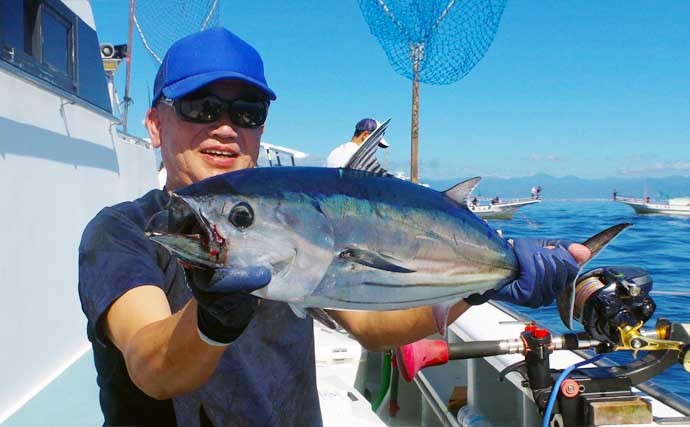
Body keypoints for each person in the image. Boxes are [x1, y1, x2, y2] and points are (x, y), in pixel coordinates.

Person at [78, 27, 591, 427]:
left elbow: (372, 328)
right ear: (154, 123)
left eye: (247, 111)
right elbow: (151, 366)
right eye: (200, 107)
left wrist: (481, 286)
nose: (226, 127)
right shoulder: (123, 232)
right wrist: (212, 319)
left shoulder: (294, 228)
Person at [325, 117, 389, 167]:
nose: (375, 147)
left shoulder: (334, 153)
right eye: (376, 142)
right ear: (365, 135)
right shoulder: (361, 158)